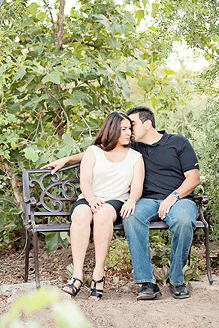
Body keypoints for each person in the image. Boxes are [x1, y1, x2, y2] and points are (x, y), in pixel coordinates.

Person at [43, 106, 200, 300]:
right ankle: (147, 283)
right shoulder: (134, 146)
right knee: (131, 216)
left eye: (132, 125)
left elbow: (193, 178)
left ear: (147, 124)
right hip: (148, 200)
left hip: (179, 198)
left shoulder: (178, 143)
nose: (129, 131)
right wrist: (67, 159)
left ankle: (177, 280)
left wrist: (173, 197)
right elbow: (101, 151)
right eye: (125, 128)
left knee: (184, 221)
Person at [44, 111, 144, 301]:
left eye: (129, 129)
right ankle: (77, 275)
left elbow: (137, 186)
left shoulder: (135, 157)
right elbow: (85, 182)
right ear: (112, 130)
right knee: (81, 215)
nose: (128, 133)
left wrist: (132, 200)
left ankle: (99, 274)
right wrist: (90, 200)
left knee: (103, 213)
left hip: (116, 200)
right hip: (90, 198)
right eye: (123, 129)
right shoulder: (94, 152)